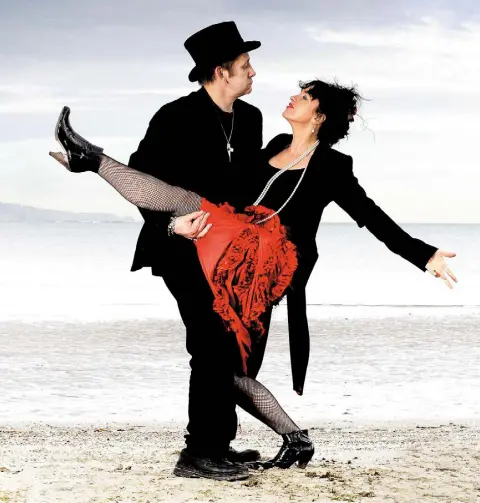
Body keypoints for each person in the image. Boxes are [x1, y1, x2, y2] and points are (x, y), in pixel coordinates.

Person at [50, 78, 457, 473]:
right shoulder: (273, 147)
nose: (294, 97)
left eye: (305, 96)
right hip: (233, 246)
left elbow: (373, 219)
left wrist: (425, 256)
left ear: (320, 116)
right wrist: (174, 226)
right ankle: (94, 160)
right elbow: (223, 186)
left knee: (232, 368)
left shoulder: (333, 167)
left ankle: (270, 440)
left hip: (266, 269)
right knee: (191, 206)